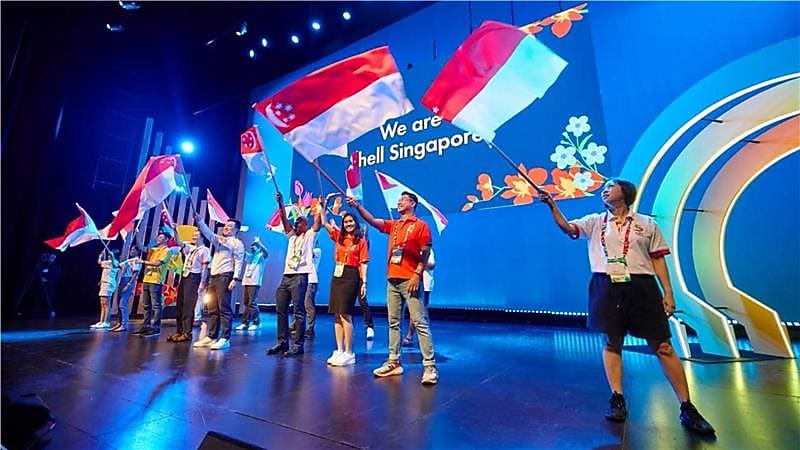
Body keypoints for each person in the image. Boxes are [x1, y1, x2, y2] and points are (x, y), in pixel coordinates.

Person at [539, 178, 715, 435]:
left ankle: (687, 407)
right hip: (605, 286)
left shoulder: (646, 224)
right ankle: (617, 398)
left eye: (611, 186)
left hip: (642, 287)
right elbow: (568, 228)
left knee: (663, 345)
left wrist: (668, 293)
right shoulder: (595, 221)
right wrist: (552, 205)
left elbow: (658, 262)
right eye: (604, 187)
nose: (605, 189)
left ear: (625, 193)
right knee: (612, 342)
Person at [348, 192, 439, 385]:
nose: (399, 201)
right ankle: (394, 362)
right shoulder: (395, 225)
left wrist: (417, 274)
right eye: (399, 199)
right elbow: (372, 220)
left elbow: (426, 252)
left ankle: (430, 366)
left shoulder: (421, 225)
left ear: (412, 203)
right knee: (393, 322)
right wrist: (357, 207)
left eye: (403, 199)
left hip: (411, 279)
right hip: (393, 280)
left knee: (419, 322)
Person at [266, 192, 320, 358]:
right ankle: (282, 342)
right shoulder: (291, 237)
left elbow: (318, 224)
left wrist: (320, 208)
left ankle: (298, 345)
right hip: (286, 277)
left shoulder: (310, 235)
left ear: (306, 224)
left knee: (299, 311)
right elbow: (283, 218)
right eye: (295, 222)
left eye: (300, 221)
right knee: (281, 309)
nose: (296, 223)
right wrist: (281, 203)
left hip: (300, 276)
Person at [319, 201, 369, 366]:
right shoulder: (339, 236)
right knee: (336, 313)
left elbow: (364, 262)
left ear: (356, 223)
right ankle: (339, 350)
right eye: (346, 222)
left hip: (351, 276)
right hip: (337, 275)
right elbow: (325, 223)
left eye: (351, 221)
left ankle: (349, 352)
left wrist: (364, 282)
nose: (348, 224)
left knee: (345, 314)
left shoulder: (360, 241)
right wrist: (322, 208)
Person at [192, 217, 245, 350]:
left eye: (230, 226)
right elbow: (208, 234)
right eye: (225, 226)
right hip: (214, 276)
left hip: (225, 277)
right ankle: (211, 336)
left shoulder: (237, 243)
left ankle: (225, 338)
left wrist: (235, 278)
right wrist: (200, 221)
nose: (226, 228)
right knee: (212, 308)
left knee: (224, 308)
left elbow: (239, 261)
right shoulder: (219, 240)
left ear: (236, 230)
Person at [169, 230, 210, 342]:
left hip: (194, 277)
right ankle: (179, 331)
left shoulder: (205, 250)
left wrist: (202, 282)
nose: (193, 237)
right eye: (193, 235)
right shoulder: (190, 248)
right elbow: (179, 242)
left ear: (202, 237)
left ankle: (187, 333)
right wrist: (176, 231)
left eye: (196, 235)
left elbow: (204, 268)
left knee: (188, 306)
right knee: (180, 304)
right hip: (185, 276)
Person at [133, 232, 177, 337]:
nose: (158, 239)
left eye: (161, 237)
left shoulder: (167, 251)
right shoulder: (154, 249)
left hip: (156, 280)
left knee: (156, 305)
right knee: (146, 305)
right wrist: (138, 233)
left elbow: (158, 263)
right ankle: (145, 326)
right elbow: (141, 247)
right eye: (158, 237)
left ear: (166, 239)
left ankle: (155, 328)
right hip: (147, 279)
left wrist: (143, 262)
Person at [403, 248, 435, 346]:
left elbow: (432, 265)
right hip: (413, 283)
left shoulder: (427, 249)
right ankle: (412, 336)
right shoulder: (413, 248)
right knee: (414, 311)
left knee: (421, 312)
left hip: (424, 285)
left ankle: (416, 337)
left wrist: (419, 264)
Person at [236, 237, 268, 331]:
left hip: (254, 282)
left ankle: (257, 322)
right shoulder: (250, 256)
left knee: (252, 303)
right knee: (246, 303)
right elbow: (241, 252)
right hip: (246, 282)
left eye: (255, 246)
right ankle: (245, 323)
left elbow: (266, 252)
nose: (253, 248)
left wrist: (259, 242)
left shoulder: (261, 257)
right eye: (252, 246)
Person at [110, 245, 142, 332]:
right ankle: (119, 323)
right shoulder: (128, 260)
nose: (131, 251)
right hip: (122, 280)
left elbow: (135, 274)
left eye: (133, 250)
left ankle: (124, 324)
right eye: (131, 249)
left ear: (137, 251)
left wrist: (128, 284)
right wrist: (112, 256)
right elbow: (116, 266)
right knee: (118, 303)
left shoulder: (136, 260)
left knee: (122, 304)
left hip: (128, 281)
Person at [92, 249, 120, 329]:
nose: (108, 256)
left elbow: (113, 261)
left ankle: (106, 322)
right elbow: (99, 262)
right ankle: (101, 321)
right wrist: (101, 255)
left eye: (110, 255)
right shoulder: (108, 262)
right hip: (103, 283)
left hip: (109, 284)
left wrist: (112, 255)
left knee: (106, 303)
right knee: (102, 303)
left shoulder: (115, 263)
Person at [303, 245, 322, 339]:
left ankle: (310, 328)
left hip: (311, 281)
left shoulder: (317, 250)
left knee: (308, 305)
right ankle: (296, 326)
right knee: (299, 304)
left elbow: (308, 253)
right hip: (302, 280)